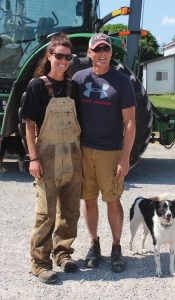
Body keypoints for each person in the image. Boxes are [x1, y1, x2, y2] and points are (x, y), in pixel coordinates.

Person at [21, 33, 82, 284]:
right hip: (46, 157)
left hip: (72, 156)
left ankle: (63, 253)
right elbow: (29, 124)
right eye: (58, 56)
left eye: (67, 57)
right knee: (46, 214)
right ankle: (39, 263)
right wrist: (33, 158)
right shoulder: (37, 85)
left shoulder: (72, 87)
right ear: (49, 56)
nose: (63, 61)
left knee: (70, 211)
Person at [72, 33, 136, 272]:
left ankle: (116, 247)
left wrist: (125, 157)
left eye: (105, 49)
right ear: (89, 53)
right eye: (97, 49)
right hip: (84, 151)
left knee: (113, 201)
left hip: (110, 152)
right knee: (89, 201)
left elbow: (130, 123)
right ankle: (94, 244)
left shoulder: (121, 81)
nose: (101, 54)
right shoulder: (78, 79)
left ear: (110, 52)